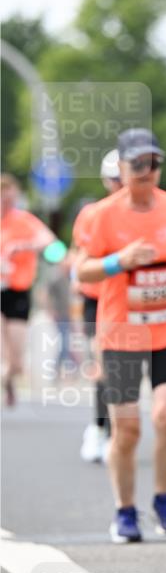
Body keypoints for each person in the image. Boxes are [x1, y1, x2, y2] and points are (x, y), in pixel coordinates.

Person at [77, 129, 166, 543]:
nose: (147, 171)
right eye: (138, 164)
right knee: (126, 429)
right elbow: (82, 270)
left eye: (154, 163)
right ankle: (125, 510)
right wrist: (119, 262)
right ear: (122, 169)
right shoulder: (101, 215)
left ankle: (163, 497)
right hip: (122, 332)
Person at [72, 149, 122, 462]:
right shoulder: (92, 214)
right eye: (113, 179)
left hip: (129, 298)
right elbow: (82, 256)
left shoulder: (147, 210)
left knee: (121, 370)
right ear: (106, 181)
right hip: (96, 296)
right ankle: (98, 428)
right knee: (104, 365)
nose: (119, 185)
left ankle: (116, 432)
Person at [1, 174, 56, 406]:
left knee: (17, 362)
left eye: (11, 200)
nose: (7, 205)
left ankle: (8, 379)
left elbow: (51, 243)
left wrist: (25, 246)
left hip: (17, 292)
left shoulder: (24, 220)